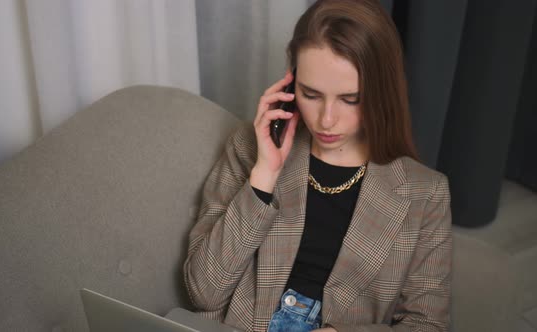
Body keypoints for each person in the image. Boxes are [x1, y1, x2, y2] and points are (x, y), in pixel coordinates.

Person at [183, 0, 452, 331]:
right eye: (310, 94)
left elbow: (427, 324)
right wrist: (264, 176)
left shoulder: (426, 193)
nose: (326, 120)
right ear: (290, 84)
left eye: (350, 99)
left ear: (382, 93)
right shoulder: (250, 148)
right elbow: (202, 293)